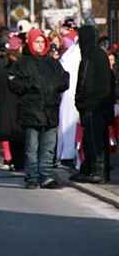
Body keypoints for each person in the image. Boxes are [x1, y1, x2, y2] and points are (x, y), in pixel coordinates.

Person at [9, 29, 69, 189]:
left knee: (48, 147)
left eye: (42, 42)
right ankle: (32, 177)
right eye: (37, 42)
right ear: (30, 43)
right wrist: (30, 86)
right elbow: (13, 83)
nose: (40, 45)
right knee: (31, 147)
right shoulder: (22, 63)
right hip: (31, 111)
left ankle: (46, 176)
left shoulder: (53, 63)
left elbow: (65, 80)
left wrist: (57, 86)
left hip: (50, 110)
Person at [71, 25, 114, 184]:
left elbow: (88, 83)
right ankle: (90, 169)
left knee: (95, 140)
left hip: (93, 106)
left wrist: (82, 102)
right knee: (94, 139)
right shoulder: (95, 55)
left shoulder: (92, 56)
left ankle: (97, 171)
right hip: (95, 106)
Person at [0, 35, 25, 170]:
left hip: (4, 108)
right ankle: (20, 162)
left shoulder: (1, 71)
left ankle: (10, 158)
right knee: (20, 137)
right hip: (21, 108)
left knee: (8, 135)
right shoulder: (25, 71)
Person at [57, 28, 80, 168]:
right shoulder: (76, 54)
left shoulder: (69, 55)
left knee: (66, 125)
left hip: (67, 95)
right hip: (73, 95)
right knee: (71, 126)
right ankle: (69, 155)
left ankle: (65, 153)